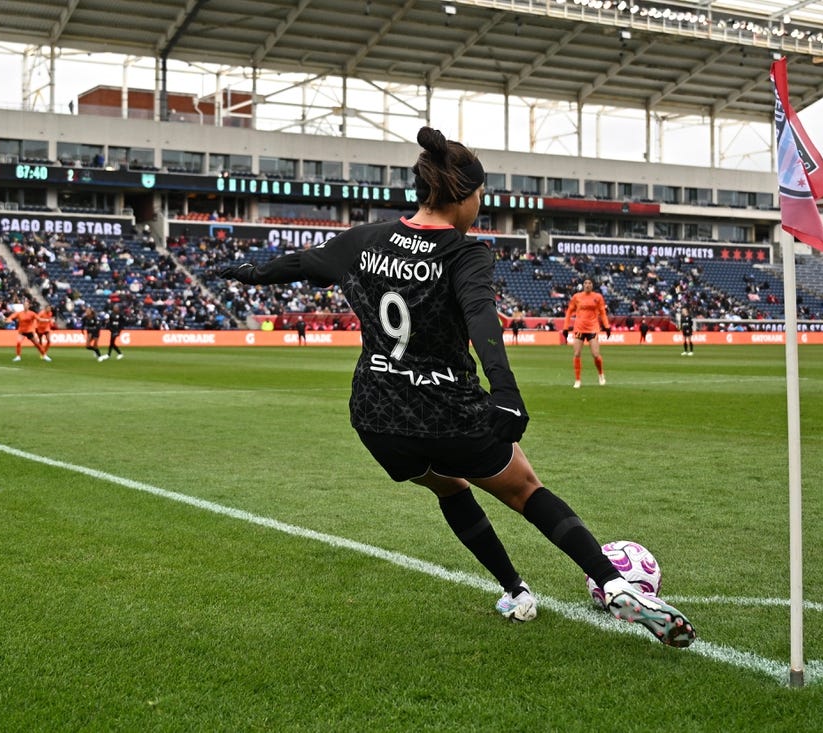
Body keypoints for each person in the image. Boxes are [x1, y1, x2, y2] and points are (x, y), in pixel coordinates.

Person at [219, 126, 695, 647]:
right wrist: (507, 392)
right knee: (526, 490)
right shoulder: (465, 252)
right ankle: (615, 583)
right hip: (449, 410)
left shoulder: (363, 240)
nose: (481, 206)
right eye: (479, 196)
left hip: (377, 414)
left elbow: (302, 265)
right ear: (462, 196)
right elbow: (482, 321)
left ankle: (515, 591)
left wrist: (249, 273)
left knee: (448, 487)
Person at [562, 277, 610, 388]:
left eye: (589, 283)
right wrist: (565, 327)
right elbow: (569, 312)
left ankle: (601, 374)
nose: (587, 285)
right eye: (585, 283)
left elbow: (602, 312)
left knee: (595, 354)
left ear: (592, 285)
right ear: (583, 285)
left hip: (592, 327)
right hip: (579, 327)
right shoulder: (576, 297)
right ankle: (577, 380)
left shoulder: (598, 297)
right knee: (577, 353)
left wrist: (607, 326)